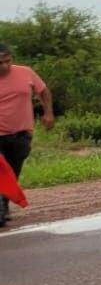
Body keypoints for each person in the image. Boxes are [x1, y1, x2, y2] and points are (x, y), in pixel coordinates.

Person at [0, 43, 53, 226]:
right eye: (0, 63)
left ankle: (3, 204)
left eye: (8, 61)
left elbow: (44, 91)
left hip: (21, 134)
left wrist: (48, 113)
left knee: (13, 172)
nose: (5, 66)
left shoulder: (25, 72)